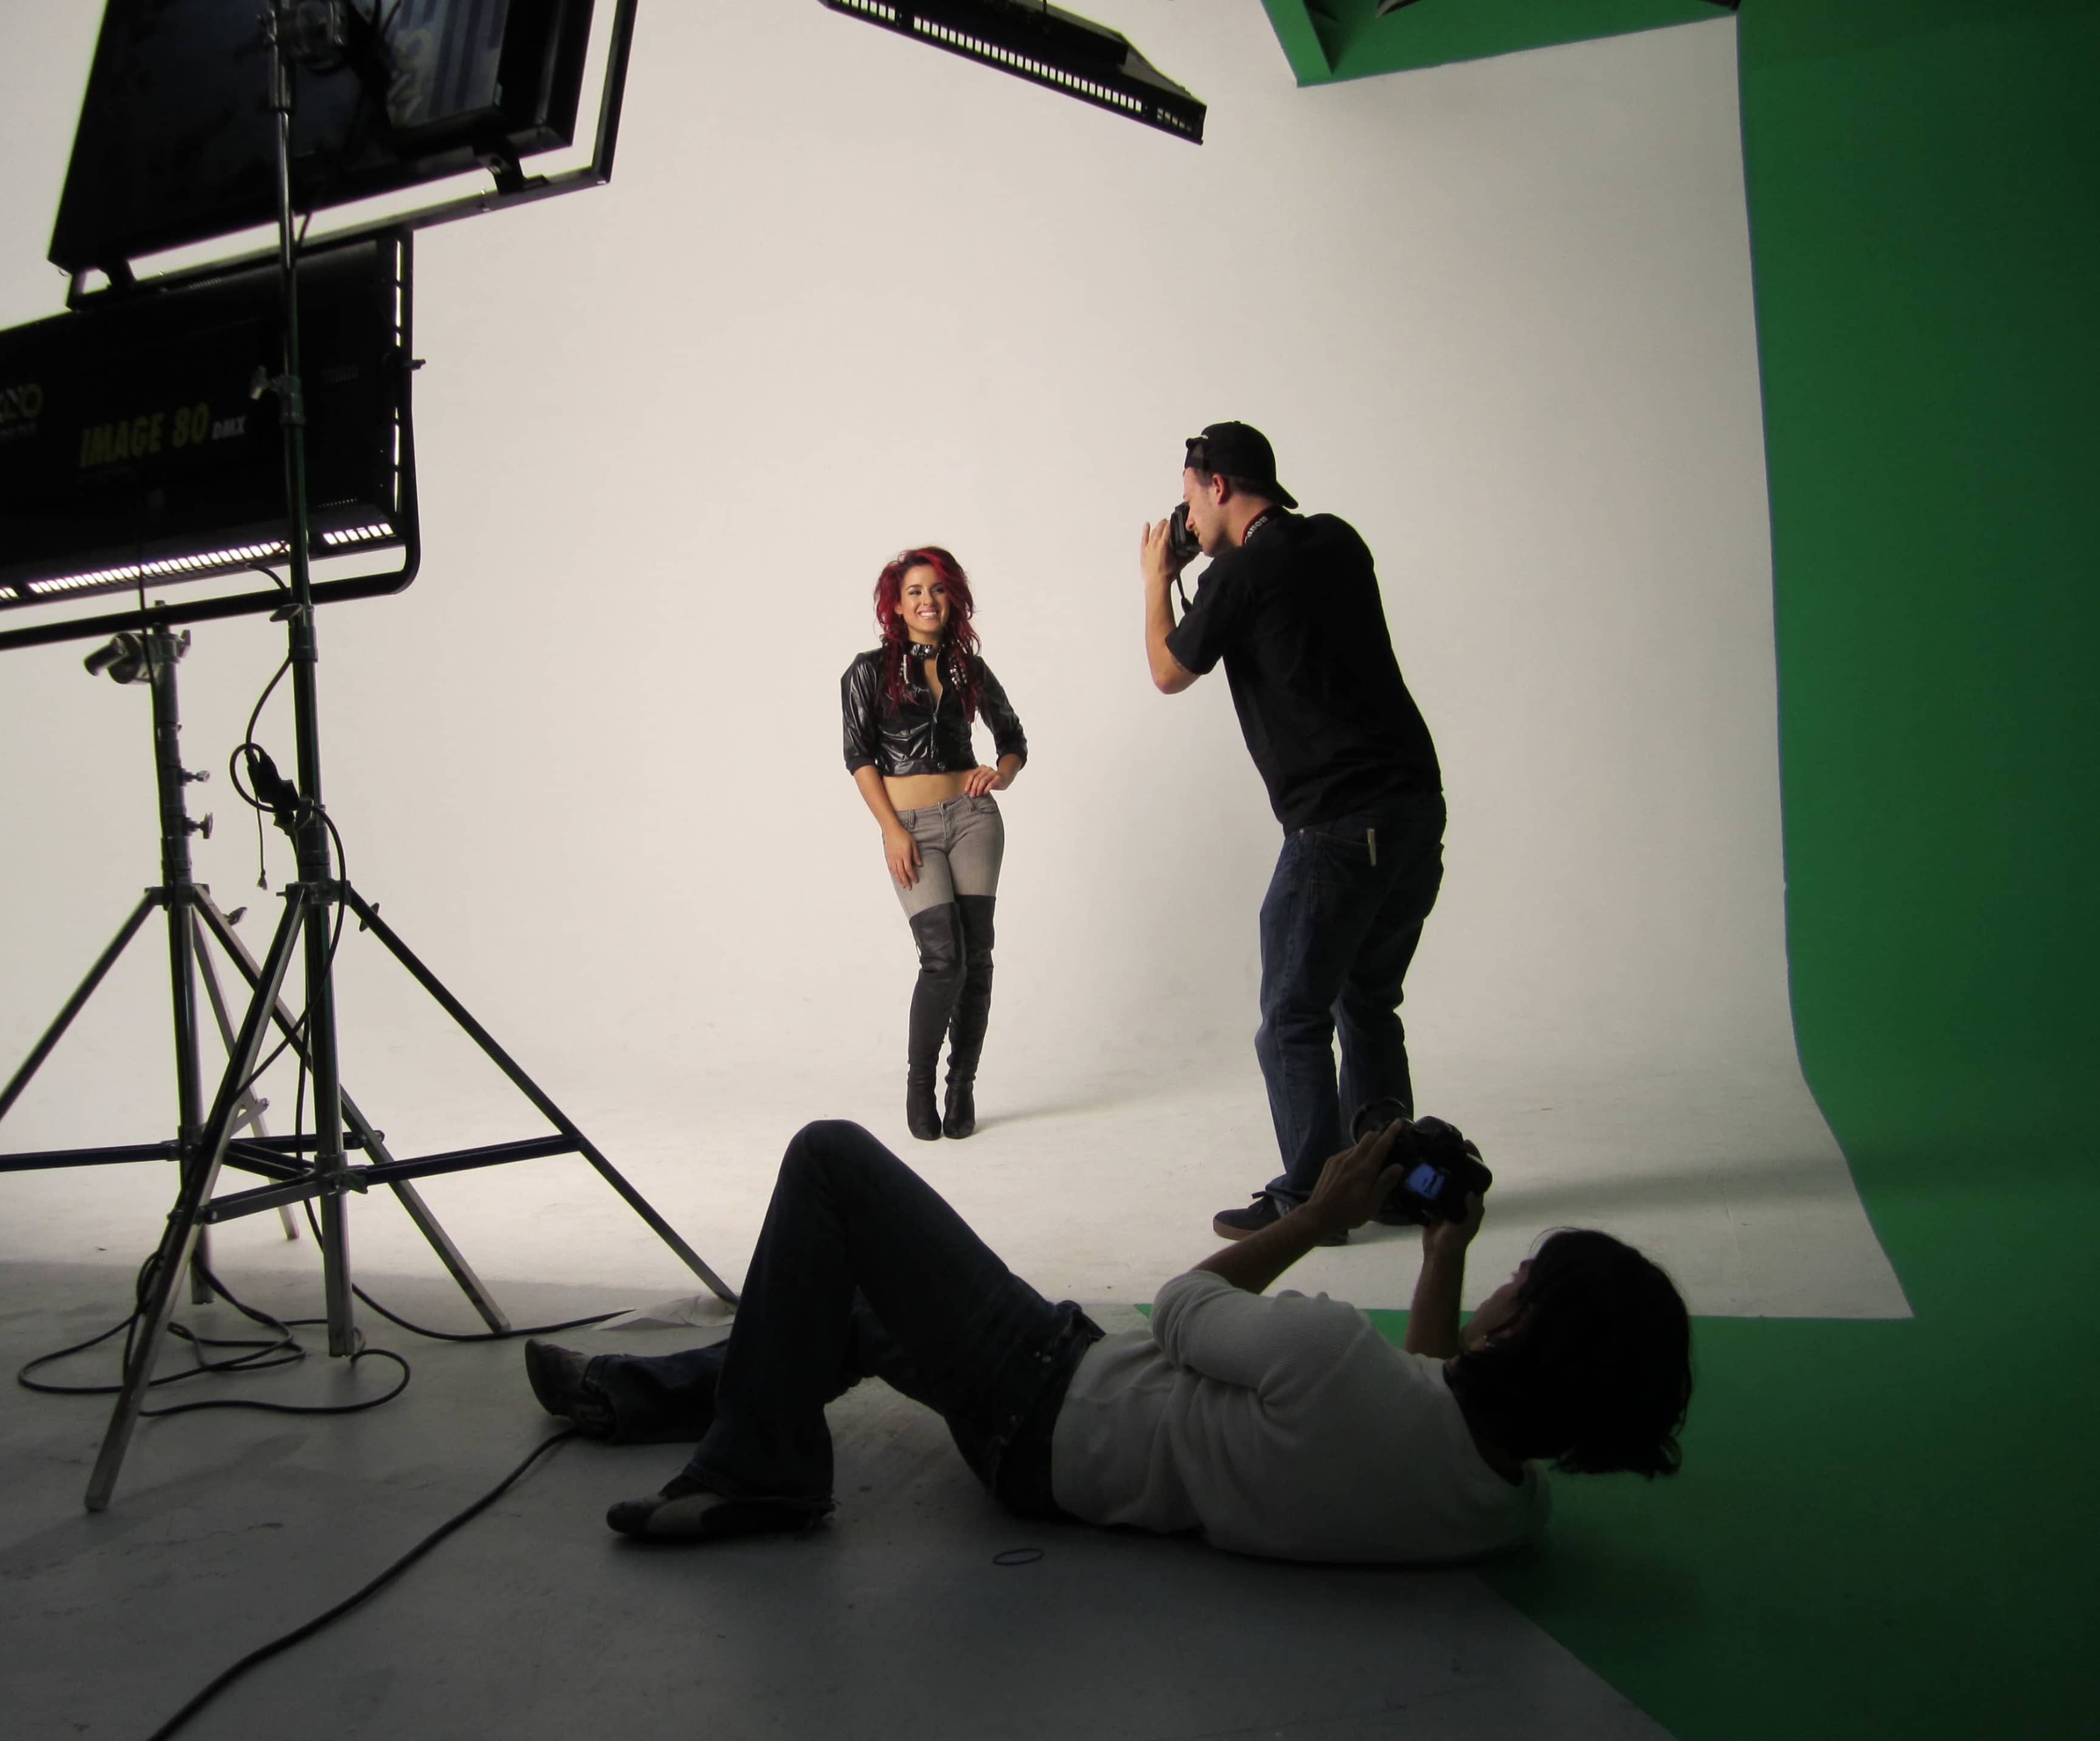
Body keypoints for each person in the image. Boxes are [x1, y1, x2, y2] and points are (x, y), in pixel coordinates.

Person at [523, 1119, 1690, 1556]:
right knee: (855, 1312)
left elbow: (1181, 1307)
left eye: (1516, 1279)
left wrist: (1318, 1216)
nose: (1500, 1285)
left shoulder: (1336, 1362)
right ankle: (638, 1396)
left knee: (832, 1161)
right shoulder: (1506, 1504)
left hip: (1051, 1387)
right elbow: (1443, 1393)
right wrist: (1442, 1257)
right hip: (1058, 1475)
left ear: (1525, 1323)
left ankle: (762, 1473)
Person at [1142, 423, 1447, 1242]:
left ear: (1216, 486)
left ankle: (1312, 1201)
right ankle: (1389, 1184)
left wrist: (1154, 577)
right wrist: (1200, 571)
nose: (1185, 520)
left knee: (1293, 1016)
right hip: (1417, 809)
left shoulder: (1239, 572)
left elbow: (1169, 671)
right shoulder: (1337, 542)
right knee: (1369, 1001)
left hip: (1338, 825)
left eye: (1188, 499)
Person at [840, 548, 1028, 1141]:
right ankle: (920, 1083)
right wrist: (891, 829)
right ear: (896, 605)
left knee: (978, 957)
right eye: (916, 591)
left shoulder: (967, 669)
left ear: (954, 601)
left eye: (939, 590)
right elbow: (858, 756)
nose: (928, 601)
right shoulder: (867, 673)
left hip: (974, 820)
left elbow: (1014, 738)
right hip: (912, 828)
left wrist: (1000, 772)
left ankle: (962, 1084)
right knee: (943, 958)